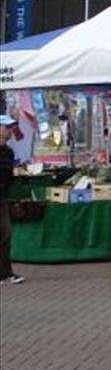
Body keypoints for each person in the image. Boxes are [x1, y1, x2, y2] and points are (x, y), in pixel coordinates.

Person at [0, 114, 24, 286]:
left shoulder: (8, 151)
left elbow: (8, 176)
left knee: (5, 235)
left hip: (2, 198)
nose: (10, 131)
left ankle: (5, 274)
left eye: (10, 127)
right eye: (7, 127)